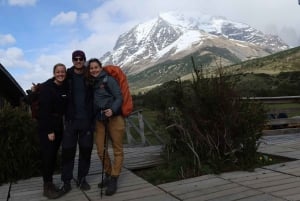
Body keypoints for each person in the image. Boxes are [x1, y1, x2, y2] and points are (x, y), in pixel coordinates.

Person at [86, 58, 125, 196]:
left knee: (117, 150)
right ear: (89, 70)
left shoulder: (109, 80)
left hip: (114, 118)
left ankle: (114, 178)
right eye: (91, 68)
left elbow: (119, 97)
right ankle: (108, 173)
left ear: (101, 67)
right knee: (101, 150)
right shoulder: (91, 83)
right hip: (100, 120)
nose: (94, 70)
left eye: (96, 67)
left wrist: (112, 110)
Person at [59, 50, 94, 195]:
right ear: (72, 60)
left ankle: (82, 178)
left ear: (84, 60)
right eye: (75, 59)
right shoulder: (67, 75)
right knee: (68, 152)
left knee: (86, 151)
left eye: (81, 59)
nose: (78, 61)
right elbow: (54, 81)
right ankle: (66, 181)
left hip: (87, 121)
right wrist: (37, 89)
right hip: (71, 121)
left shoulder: (90, 75)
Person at [36, 63, 68, 199]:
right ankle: (47, 187)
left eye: (63, 72)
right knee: (48, 156)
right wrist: (49, 130)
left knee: (53, 155)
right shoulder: (47, 88)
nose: (60, 74)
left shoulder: (63, 87)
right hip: (48, 127)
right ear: (54, 73)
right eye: (58, 72)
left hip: (58, 125)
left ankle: (49, 184)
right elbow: (43, 111)